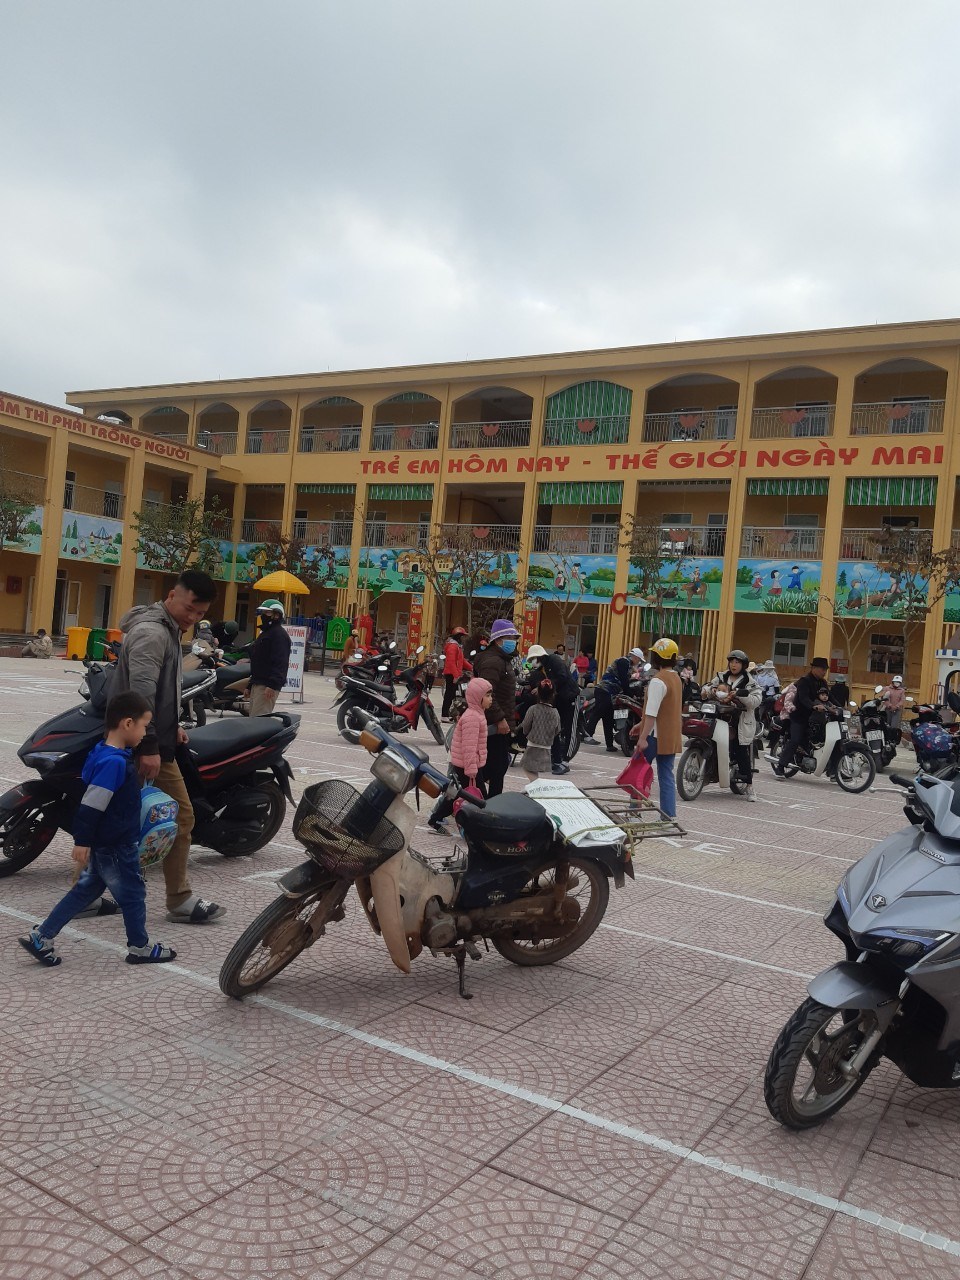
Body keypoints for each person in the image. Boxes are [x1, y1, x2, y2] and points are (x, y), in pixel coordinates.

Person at [18, 691, 177, 967]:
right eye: (143, 726)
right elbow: (92, 804)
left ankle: (42, 936)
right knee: (133, 894)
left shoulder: (104, 752)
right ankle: (139, 947)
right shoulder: (114, 763)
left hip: (108, 841)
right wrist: (82, 840)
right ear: (128, 723)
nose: (144, 733)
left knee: (85, 890)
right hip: (116, 844)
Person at [112, 569, 224, 924]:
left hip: (143, 738)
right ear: (172, 595)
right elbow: (140, 694)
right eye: (189, 608)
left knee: (118, 819)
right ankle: (179, 899)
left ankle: (89, 890)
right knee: (180, 814)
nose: (192, 617)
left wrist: (171, 726)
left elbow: (158, 689)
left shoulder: (168, 629)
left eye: (200, 613)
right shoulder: (153, 633)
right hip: (140, 743)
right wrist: (149, 745)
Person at [428, 677, 491, 833]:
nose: (491, 699)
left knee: (458, 794)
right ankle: (487, 824)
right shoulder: (472, 717)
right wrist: (471, 769)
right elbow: (469, 746)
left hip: (469, 764)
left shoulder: (477, 714)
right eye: (488, 695)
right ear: (477, 697)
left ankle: (435, 818)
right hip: (467, 765)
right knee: (479, 796)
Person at [632, 637, 682, 820]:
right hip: (670, 736)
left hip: (653, 736)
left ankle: (634, 813)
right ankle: (668, 817)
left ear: (659, 657)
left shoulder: (657, 681)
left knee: (638, 772)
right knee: (666, 775)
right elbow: (666, 709)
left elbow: (652, 713)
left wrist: (642, 737)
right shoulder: (676, 678)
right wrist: (641, 724)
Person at [702, 648, 761, 801]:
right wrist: (710, 690)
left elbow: (755, 700)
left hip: (738, 721)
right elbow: (707, 687)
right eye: (732, 662)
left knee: (740, 750)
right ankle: (708, 772)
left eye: (737, 662)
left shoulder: (750, 682)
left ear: (743, 665)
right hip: (719, 715)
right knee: (707, 740)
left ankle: (749, 786)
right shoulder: (721, 676)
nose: (734, 665)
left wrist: (740, 696)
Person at [472, 619, 519, 798]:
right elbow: (486, 693)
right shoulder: (493, 661)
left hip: (499, 721)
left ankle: (488, 802)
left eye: (514, 638)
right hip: (492, 724)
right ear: (498, 640)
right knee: (495, 768)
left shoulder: (503, 659)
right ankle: (487, 803)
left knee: (497, 767)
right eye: (510, 638)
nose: (513, 641)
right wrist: (499, 719)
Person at [775, 656, 830, 776]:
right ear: (814, 668)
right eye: (822, 669)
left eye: (825, 669)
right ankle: (780, 766)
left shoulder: (823, 682)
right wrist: (814, 706)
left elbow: (829, 697)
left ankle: (832, 770)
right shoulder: (804, 681)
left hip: (815, 718)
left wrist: (838, 707)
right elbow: (803, 698)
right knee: (795, 740)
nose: (824, 672)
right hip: (799, 716)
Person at [583, 648, 645, 752]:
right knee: (598, 712)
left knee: (608, 717)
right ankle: (587, 735)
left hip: (610, 692)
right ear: (635, 657)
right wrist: (630, 694)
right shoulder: (623, 661)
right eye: (639, 660)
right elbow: (624, 680)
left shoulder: (628, 666)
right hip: (604, 690)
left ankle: (609, 744)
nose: (639, 662)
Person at [248, 599, 292, 716]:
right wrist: (250, 685)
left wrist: (272, 685)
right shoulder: (265, 633)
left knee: (259, 722)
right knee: (252, 721)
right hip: (258, 683)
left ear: (277, 615)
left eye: (267, 613)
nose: (263, 616)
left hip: (267, 686)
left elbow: (281, 662)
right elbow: (258, 661)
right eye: (263, 613)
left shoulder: (279, 635)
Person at [520, 682, 561, 782]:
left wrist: (526, 733)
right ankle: (535, 784)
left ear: (538, 693)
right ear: (553, 694)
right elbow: (557, 729)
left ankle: (536, 784)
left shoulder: (533, 709)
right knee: (534, 769)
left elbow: (526, 726)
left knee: (527, 767)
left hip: (533, 743)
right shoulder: (555, 712)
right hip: (547, 745)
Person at [441, 626, 471, 720]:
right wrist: (456, 675)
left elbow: (462, 661)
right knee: (449, 694)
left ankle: (448, 713)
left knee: (452, 694)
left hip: (453, 673)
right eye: (462, 636)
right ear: (458, 636)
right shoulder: (453, 646)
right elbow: (451, 662)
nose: (463, 639)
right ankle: (444, 715)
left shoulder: (457, 646)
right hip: (451, 674)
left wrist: (472, 668)